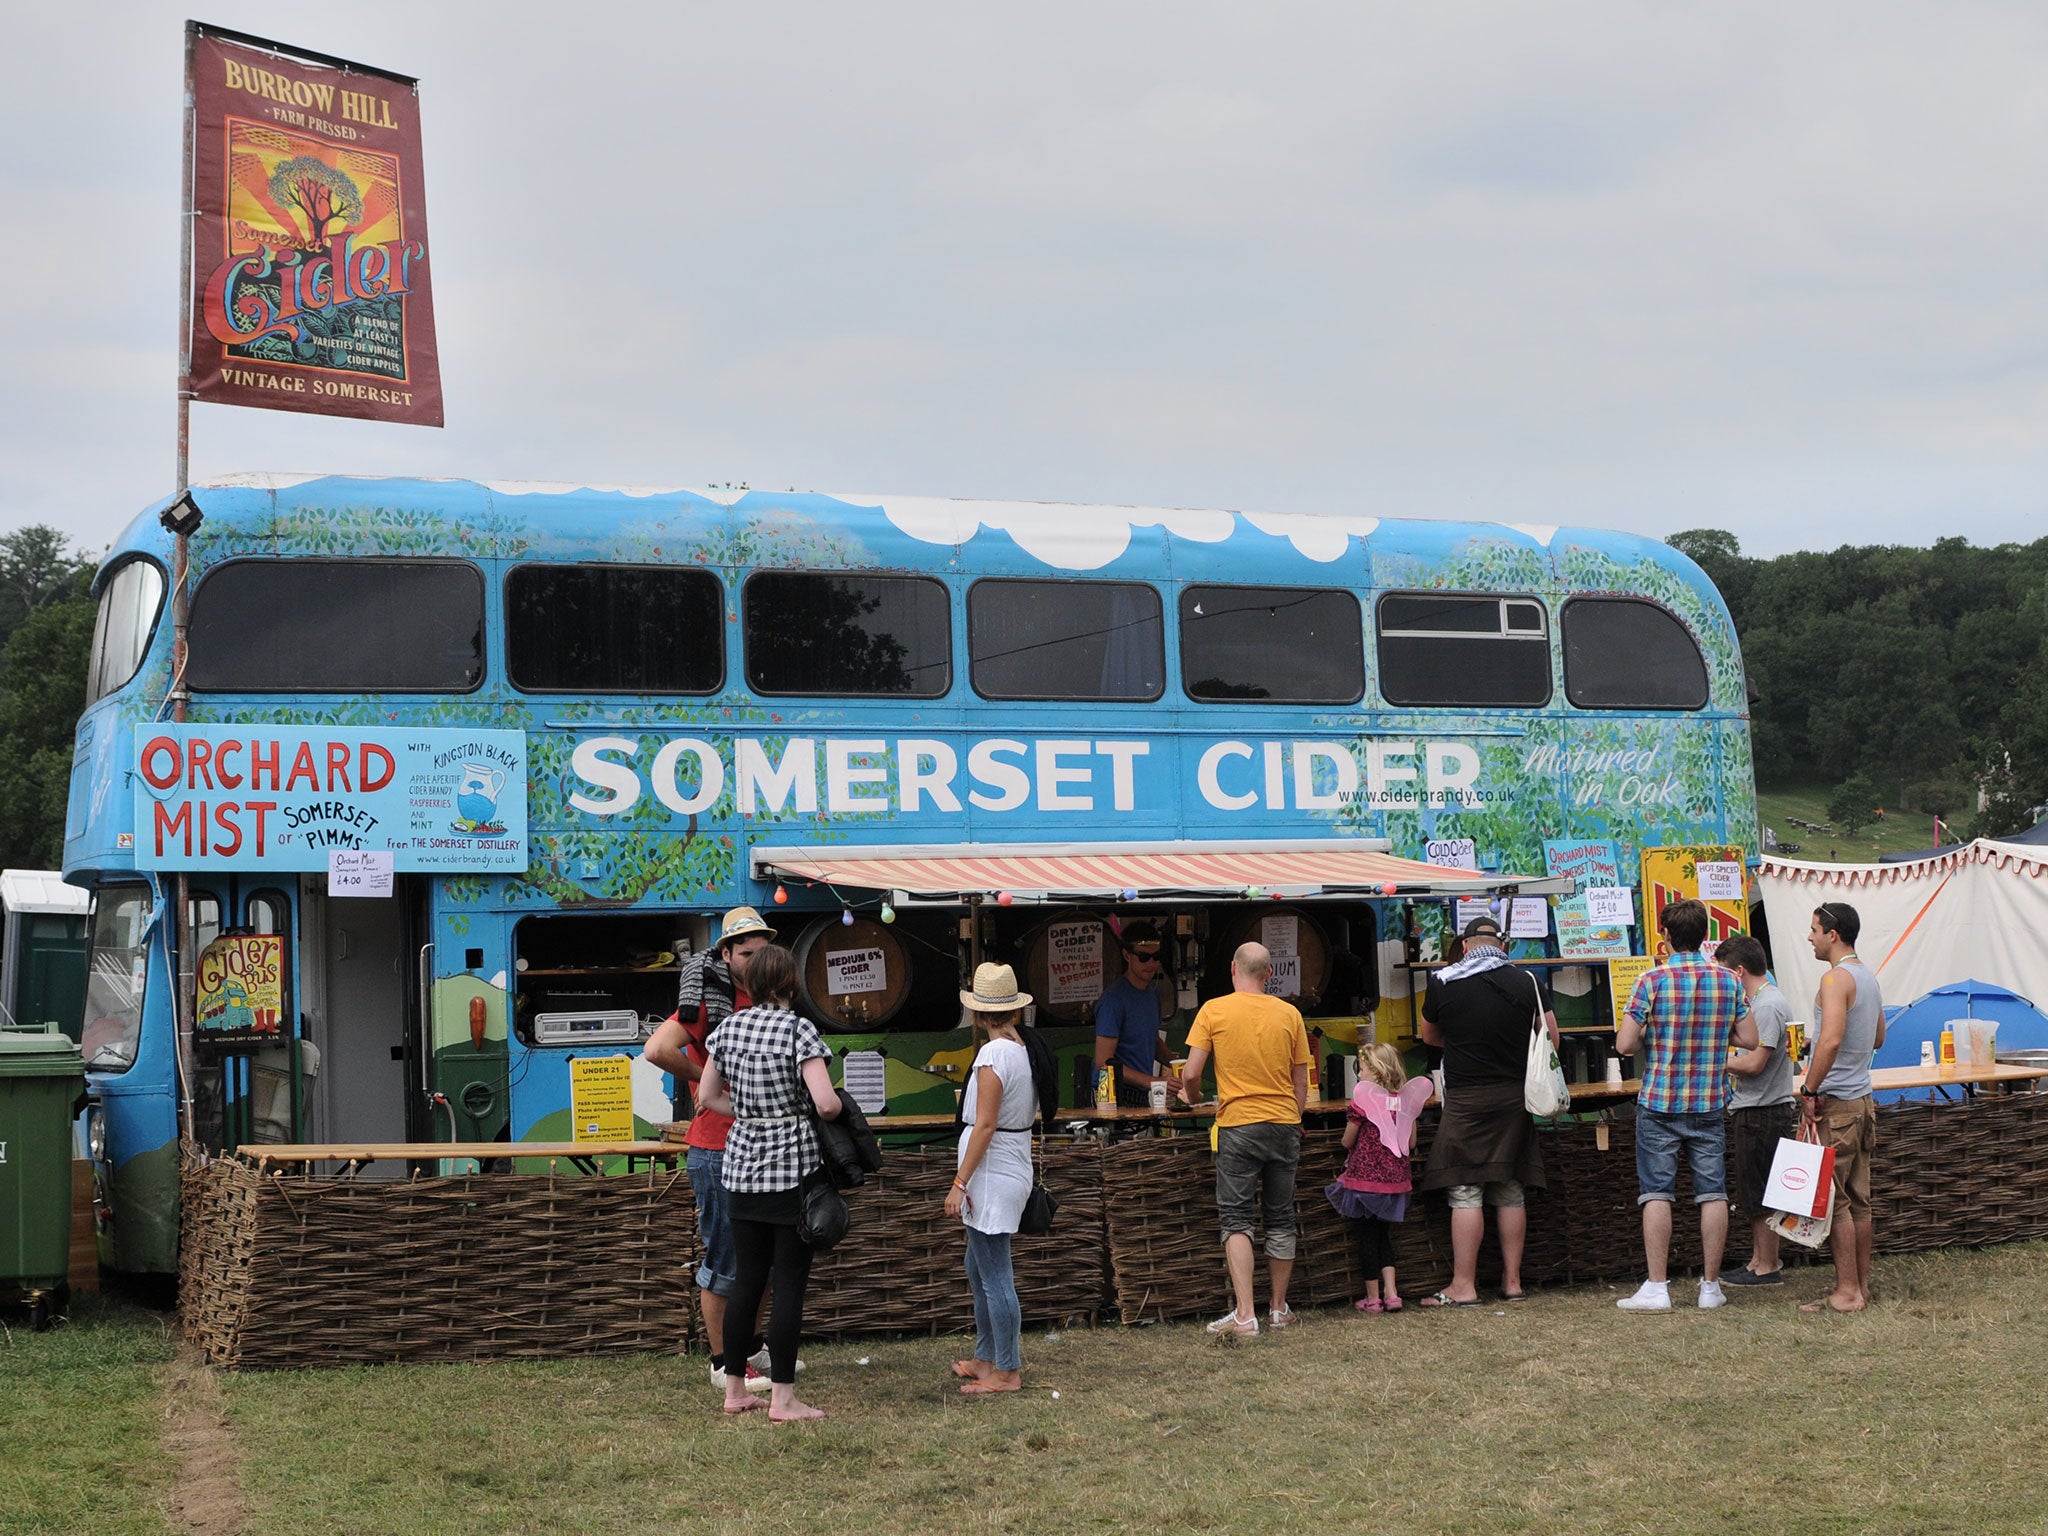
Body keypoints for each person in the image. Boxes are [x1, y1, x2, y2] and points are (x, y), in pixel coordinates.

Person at [696, 943, 841, 1421]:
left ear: (751, 984)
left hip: (739, 1168)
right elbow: (825, 1103)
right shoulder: (799, 1029)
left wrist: (751, 1113)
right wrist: (808, 1111)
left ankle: (735, 1390)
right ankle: (782, 1399)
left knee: (747, 1281)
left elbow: (709, 1096)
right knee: (789, 1284)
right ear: (790, 984)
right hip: (791, 1172)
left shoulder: (727, 1029)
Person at [642, 905, 776, 1391]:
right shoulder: (709, 1003)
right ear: (725, 953)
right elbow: (656, 1049)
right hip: (717, 1147)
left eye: (763, 952)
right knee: (726, 1259)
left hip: (761, 1145)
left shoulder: (766, 999)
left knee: (762, 1259)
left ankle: (751, 1348)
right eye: (746, 952)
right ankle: (723, 1363)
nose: (756, 960)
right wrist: (709, 1084)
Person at [1614, 900, 1758, 1312]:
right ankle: (1710, 1287)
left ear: (1665, 935)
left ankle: (1657, 1287)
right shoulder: (1729, 981)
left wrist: (1651, 1034)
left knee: (1656, 1193)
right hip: (1709, 1101)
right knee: (1712, 1192)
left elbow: (1625, 1044)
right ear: (1705, 934)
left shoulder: (1650, 980)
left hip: (1660, 1100)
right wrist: (1715, 1034)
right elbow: (1749, 1039)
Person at [1416, 915, 1560, 1307]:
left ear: (1464, 946)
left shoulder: (1443, 982)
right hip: (1515, 1096)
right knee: (1511, 1188)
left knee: (1466, 1190)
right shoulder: (1527, 982)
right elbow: (1552, 1039)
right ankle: (1512, 1282)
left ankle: (1464, 1285)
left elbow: (1429, 1036)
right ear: (1502, 946)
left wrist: (1465, 1044)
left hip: (1466, 1098)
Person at [1178, 942, 1312, 1336]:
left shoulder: (1214, 1010)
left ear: (1233, 969)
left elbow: (1190, 1072)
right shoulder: (1290, 1014)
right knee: (1281, 1216)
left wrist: (1194, 1094)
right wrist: (1294, 1117)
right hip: (1284, 1123)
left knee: (1237, 1219)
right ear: (1268, 975)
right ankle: (1278, 1309)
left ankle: (1245, 1314)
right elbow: (1300, 1078)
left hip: (1237, 1125)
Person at [945, 963, 1040, 1395]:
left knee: (995, 1274)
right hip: (1009, 1165)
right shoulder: (1020, 1049)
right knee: (978, 1265)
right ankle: (987, 1357)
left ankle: (1006, 1369)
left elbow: (984, 1125)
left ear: (979, 1015)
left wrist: (960, 1182)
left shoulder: (992, 1055)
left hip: (991, 1174)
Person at [1800, 901, 1884, 1314]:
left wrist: (1809, 1089)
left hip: (1835, 1102)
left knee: (1835, 1201)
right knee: (1859, 1199)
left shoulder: (1835, 978)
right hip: (1862, 1099)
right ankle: (1861, 1288)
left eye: (1814, 929)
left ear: (1833, 934)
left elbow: (1831, 1039)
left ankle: (1847, 1292)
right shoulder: (1868, 976)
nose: (1810, 937)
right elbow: (1878, 1036)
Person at [1715, 934, 1798, 1288]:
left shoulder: (1766, 1006)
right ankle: (1758, 1260)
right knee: (1754, 1191)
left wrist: (1718, 1060)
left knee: (1761, 1191)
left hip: (1762, 1110)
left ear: (1739, 971)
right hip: (1760, 1108)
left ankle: (1767, 1265)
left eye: (1724, 974)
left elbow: (1755, 1064)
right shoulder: (1765, 1003)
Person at [1329, 1043, 1431, 1313]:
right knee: (1384, 1236)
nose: (1359, 1075)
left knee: (1367, 1237)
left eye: (1361, 1070)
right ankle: (1393, 1294)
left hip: (1366, 1182)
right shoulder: (1405, 1102)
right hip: (1395, 1182)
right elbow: (1410, 1143)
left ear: (1375, 1073)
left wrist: (1344, 1141)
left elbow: (1348, 1139)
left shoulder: (1363, 1102)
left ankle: (1373, 1298)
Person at [1094, 919, 1176, 1107]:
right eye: (1143, 957)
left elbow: (1152, 1040)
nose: (1151, 963)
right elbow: (1103, 1063)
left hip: (1140, 1092)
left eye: (1156, 956)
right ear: (1127, 955)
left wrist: (1179, 1065)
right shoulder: (1113, 1000)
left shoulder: (1153, 992)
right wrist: (1152, 1081)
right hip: (1111, 1095)